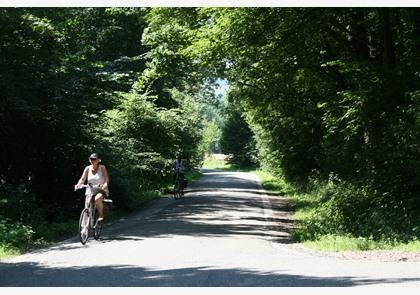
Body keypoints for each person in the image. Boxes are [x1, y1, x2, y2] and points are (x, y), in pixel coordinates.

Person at [74, 153, 109, 222]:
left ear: (98, 160)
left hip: (100, 189)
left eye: (94, 159)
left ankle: (101, 215)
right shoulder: (87, 168)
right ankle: (84, 229)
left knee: (97, 198)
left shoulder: (102, 168)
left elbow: (106, 179)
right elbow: (82, 179)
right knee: (87, 207)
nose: (93, 160)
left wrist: (104, 186)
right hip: (90, 189)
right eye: (91, 159)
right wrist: (78, 184)